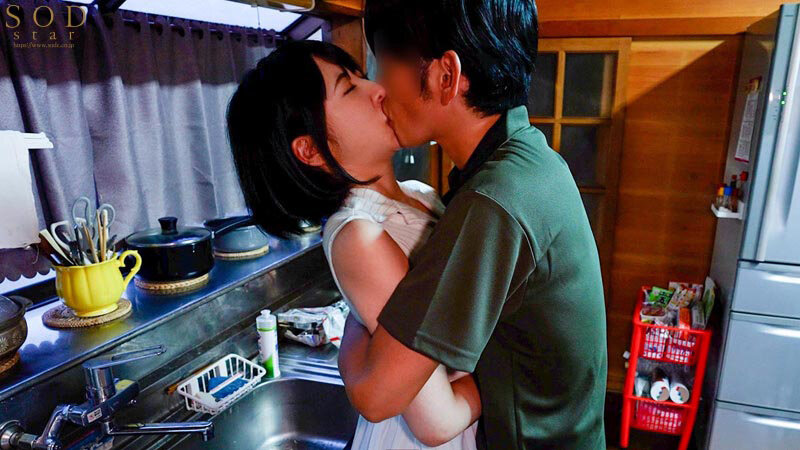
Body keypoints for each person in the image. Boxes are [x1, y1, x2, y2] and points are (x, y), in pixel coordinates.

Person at [336, 0, 608, 448]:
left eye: (382, 65)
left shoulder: (494, 200)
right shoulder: (526, 159)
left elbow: (375, 395)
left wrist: (352, 318)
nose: (378, 90)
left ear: (446, 76)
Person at [226, 40, 480, 449]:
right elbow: (435, 421)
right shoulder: (358, 233)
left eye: (362, 77)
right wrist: (510, 384)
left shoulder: (419, 194)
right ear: (311, 149)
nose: (378, 89)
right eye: (348, 88)